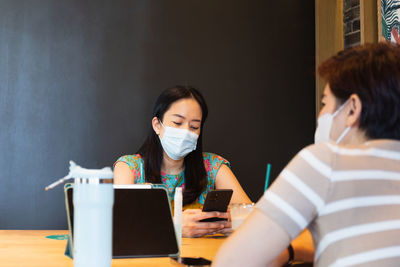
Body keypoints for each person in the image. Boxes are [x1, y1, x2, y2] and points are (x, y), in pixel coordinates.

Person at [213, 42, 400, 267]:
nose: (321, 113)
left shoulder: (326, 162)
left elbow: (231, 262)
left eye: (325, 102)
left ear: (352, 109)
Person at [114, 85, 251, 238]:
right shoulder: (129, 168)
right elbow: (117, 226)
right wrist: (175, 226)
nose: (186, 132)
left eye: (194, 126)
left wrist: (229, 222)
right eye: (178, 123)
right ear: (157, 125)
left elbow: (252, 217)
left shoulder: (213, 166)